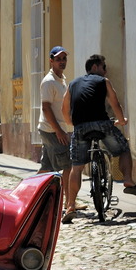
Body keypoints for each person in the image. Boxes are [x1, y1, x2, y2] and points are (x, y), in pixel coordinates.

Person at [60, 53, 136, 223]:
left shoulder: (72, 84)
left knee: (76, 168)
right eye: (103, 67)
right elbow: (115, 103)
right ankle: (128, 180)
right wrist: (121, 121)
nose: (106, 71)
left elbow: (64, 107)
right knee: (123, 148)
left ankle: (70, 205)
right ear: (94, 67)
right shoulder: (103, 82)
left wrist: (71, 123)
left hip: (80, 128)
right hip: (101, 124)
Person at [37, 46, 75, 193]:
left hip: (52, 129)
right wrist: (59, 131)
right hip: (52, 130)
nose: (62, 62)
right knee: (68, 165)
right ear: (51, 61)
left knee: (46, 168)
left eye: (64, 58)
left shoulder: (61, 80)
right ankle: (68, 202)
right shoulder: (49, 81)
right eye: (58, 59)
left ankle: (25, 193)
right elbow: (46, 108)